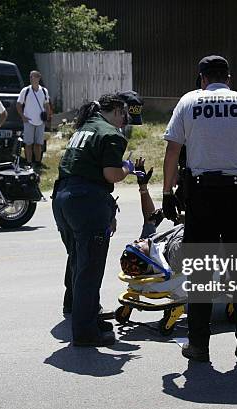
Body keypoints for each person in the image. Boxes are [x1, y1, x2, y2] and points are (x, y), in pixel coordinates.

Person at [162, 55, 237, 363]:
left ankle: (199, 347)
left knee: (200, 274)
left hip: (201, 196)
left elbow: (173, 149)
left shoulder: (189, 102)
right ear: (229, 78)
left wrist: (165, 191)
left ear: (202, 78)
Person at [52, 93, 141, 347]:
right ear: (116, 110)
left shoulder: (84, 128)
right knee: (90, 267)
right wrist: (128, 167)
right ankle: (85, 332)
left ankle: (79, 311)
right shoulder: (111, 134)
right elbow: (111, 174)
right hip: (86, 201)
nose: (125, 120)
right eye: (125, 114)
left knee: (79, 258)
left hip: (63, 198)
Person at [17, 71, 52, 167]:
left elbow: (46, 105)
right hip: (28, 120)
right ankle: (28, 162)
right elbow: (19, 104)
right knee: (28, 144)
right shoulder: (25, 90)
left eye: (35, 77)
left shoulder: (44, 91)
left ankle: (37, 162)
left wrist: (47, 117)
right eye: (31, 77)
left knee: (38, 144)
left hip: (40, 121)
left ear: (39, 78)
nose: (33, 79)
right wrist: (23, 117)